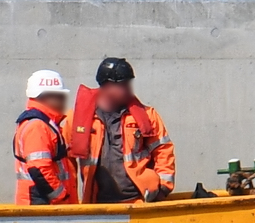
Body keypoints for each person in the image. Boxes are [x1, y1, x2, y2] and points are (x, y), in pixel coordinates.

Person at [65, 57, 175, 204]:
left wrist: (163, 188)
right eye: (123, 85)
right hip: (97, 204)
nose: (129, 90)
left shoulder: (147, 115)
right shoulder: (77, 119)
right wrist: (69, 201)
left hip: (139, 202)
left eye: (129, 84)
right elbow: (66, 161)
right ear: (106, 86)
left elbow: (163, 150)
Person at [13, 70, 78, 205]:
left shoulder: (44, 124)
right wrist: (61, 196)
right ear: (45, 96)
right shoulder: (38, 127)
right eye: (59, 96)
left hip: (43, 203)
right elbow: (39, 169)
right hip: (42, 205)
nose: (63, 101)